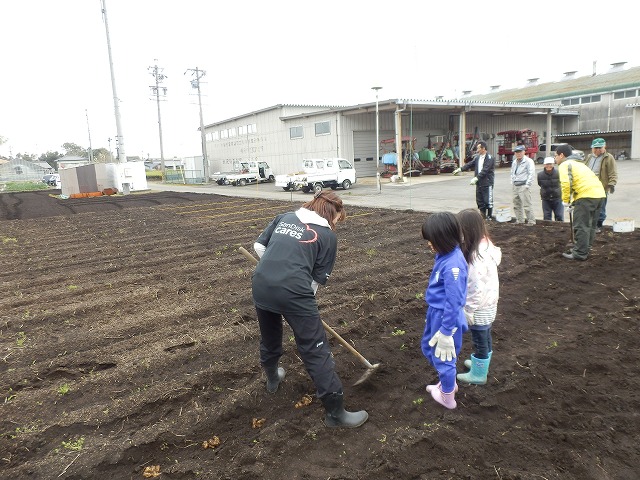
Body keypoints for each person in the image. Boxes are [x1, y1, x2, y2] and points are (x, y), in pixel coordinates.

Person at [251, 191, 368, 428]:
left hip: (261, 284)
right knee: (315, 349)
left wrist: (275, 272)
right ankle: (336, 414)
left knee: (270, 335)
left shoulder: (284, 217)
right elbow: (314, 282)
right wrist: (300, 303)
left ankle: (273, 379)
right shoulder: (326, 235)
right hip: (295, 291)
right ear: (332, 213)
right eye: (337, 220)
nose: (336, 224)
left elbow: (258, 246)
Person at [420, 212, 468, 409]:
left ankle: (448, 397)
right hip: (436, 313)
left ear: (443, 239)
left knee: (444, 355)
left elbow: (454, 300)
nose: (428, 244)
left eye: (432, 240)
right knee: (429, 347)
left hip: (445, 316)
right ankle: (448, 382)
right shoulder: (445, 255)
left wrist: (447, 331)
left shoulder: (453, 266)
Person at [455, 209, 501, 385]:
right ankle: (481, 363)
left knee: (480, 340)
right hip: (489, 303)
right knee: (485, 336)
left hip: (480, 307)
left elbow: (475, 288)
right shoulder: (486, 245)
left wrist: (468, 310)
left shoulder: (475, 257)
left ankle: (479, 375)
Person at [555, 144, 606, 261]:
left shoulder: (564, 165)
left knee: (581, 225)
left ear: (562, 155)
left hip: (586, 197)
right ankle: (585, 249)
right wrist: (573, 203)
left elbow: (566, 184)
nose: (555, 159)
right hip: (599, 195)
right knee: (591, 225)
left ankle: (579, 253)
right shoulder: (579, 164)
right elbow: (579, 182)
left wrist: (566, 201)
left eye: (556, 156)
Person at [452, 141, 495, 220]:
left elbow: (485, 170)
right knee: (480, 201)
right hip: (479, 183)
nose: (477, 150)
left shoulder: (489, 158)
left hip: (487, 183)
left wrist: (476, 178)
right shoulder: (478, 157)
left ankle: (489, 217)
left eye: (478, 148)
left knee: (487, 200)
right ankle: (483, 216)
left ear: (483, 148)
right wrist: (460, 169)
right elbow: (470, 164)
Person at [583, 137, 617, 233]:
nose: (597, 150)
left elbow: (613, 172)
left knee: (600, 208)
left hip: (601, 187)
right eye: (595, 148)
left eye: (599, 148)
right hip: (588, 187)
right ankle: (589, 224)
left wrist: (612, 184)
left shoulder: (608, 157)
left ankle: (598, 225)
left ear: (604, 147)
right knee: (588, 207)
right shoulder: (589, 157)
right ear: (592, 148)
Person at [510, 145, 536, 225]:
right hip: (515, 185)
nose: (518, 154)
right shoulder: (514, 162)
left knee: (527, 204)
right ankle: (519, 220)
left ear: (524, 152)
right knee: (516, 204)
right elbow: (512, 172)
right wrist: (512, 182)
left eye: (520, 152)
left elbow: (531, 174)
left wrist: (527, 185)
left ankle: (531, 221)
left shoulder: (528, 161)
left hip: (523, 185)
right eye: (517, 152)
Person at [537, 157, 564, 221]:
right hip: (546, 199)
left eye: (550, 164)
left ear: (553, 164)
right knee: (547, 217)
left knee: (559, 216)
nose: (548, 166)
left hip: (557, 198)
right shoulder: (540, 175)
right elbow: (540, 184)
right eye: (547, 164)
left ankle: (560, 230)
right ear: (544, 165)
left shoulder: (559, 173)